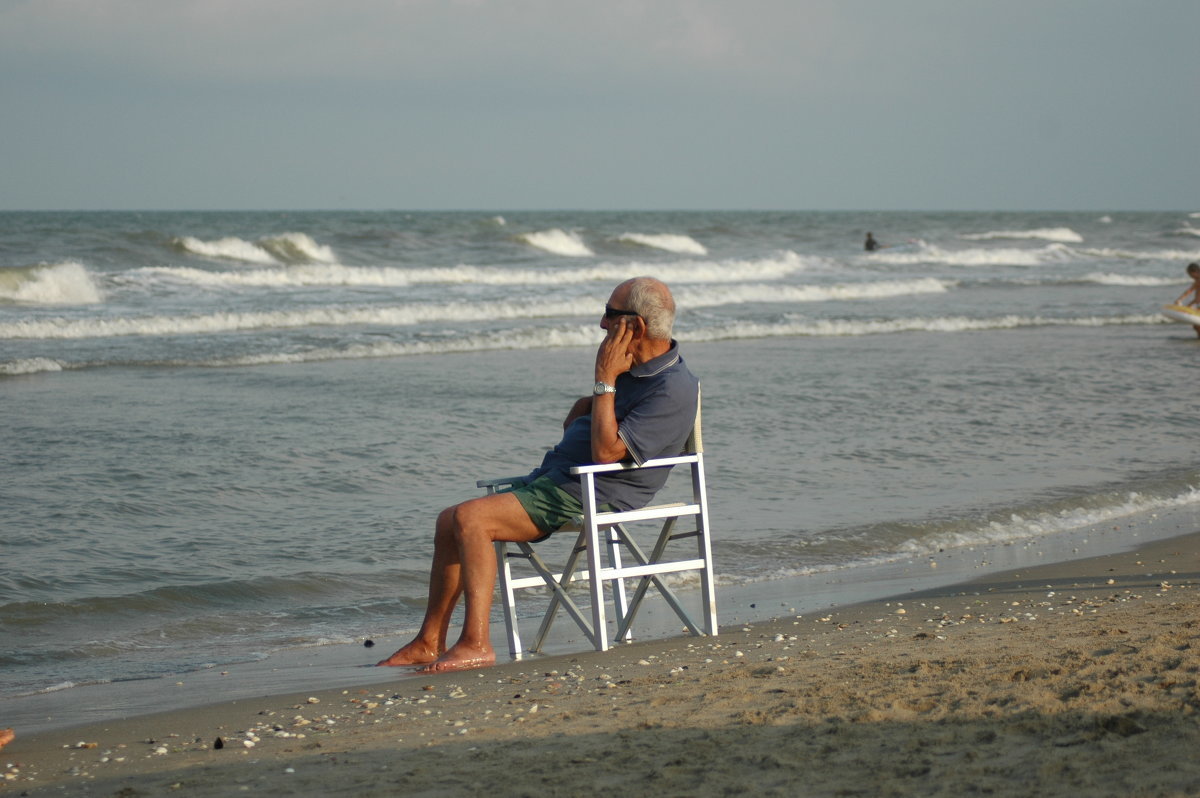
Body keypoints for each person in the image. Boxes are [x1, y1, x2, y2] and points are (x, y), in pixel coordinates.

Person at [377, 277, 699, 673]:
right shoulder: (636, 369)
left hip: (593, 492)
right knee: (449, 520)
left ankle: (476, 643)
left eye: (610, 314)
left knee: (471, 520)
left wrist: (604, 378)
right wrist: (594, 400)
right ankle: (430, 641)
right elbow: (589, 414)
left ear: (635, 326)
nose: (601, 324)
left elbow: (606, 453)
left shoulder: (672, 387)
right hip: (562, 478)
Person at [1174, 262, 1200, 338]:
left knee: (1197, 325)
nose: (1190, 277)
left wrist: (1180, 299)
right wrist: (1189, 304)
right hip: (1198, 305)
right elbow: (1192, 293)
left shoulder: (1198, 281)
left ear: (1195, 272)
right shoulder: (1197, 281)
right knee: (1196, 325)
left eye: (1190, 275)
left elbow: (1189, 291)